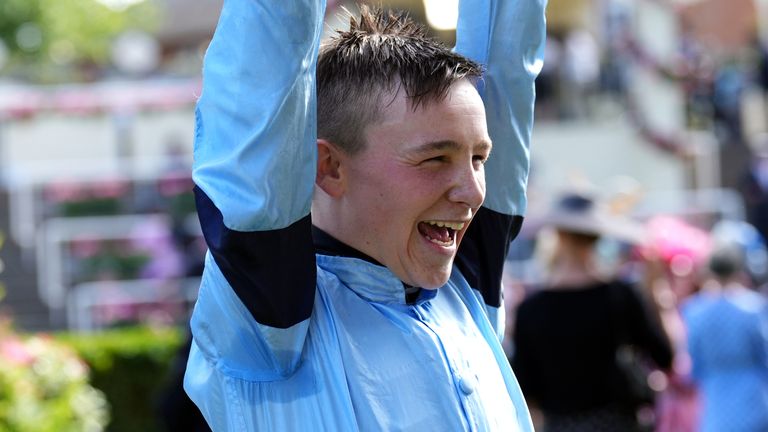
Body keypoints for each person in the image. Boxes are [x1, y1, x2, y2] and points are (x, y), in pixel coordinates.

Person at [183, 0, 546, 430]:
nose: (472, 194)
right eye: (435, 159)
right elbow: (266, 55)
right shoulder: (272, 318)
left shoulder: (465, 284)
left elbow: (509, 58)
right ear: (329, 168)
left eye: (480, 158)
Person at [512, 191, 674, 432]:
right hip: (619, 423)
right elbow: (664, 356)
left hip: (562, 426)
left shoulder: (531, 309)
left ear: (558, 234)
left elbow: (525, 390)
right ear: (599, 237)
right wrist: (658, 299)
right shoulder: (620, 296)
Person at [682, 231, 768, 432]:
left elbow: (694, 362)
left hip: (715, 397)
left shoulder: (695, 311)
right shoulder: (753, 307)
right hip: (753, 395)